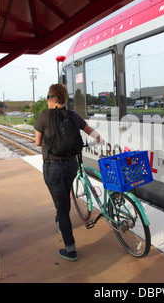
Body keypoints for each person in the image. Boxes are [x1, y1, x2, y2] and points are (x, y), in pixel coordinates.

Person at [35, 84, 103, 261]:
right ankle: (60, 219)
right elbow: (95, 135)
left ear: (55, 98)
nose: (47, 100)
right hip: (72, 166)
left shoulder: (44, 115)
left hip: (53, 167)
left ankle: (70, 250)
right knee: (64, 196)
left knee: (62, 208)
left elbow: (37, 142)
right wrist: (98, 140)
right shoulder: (74, 115)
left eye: (48, 96)